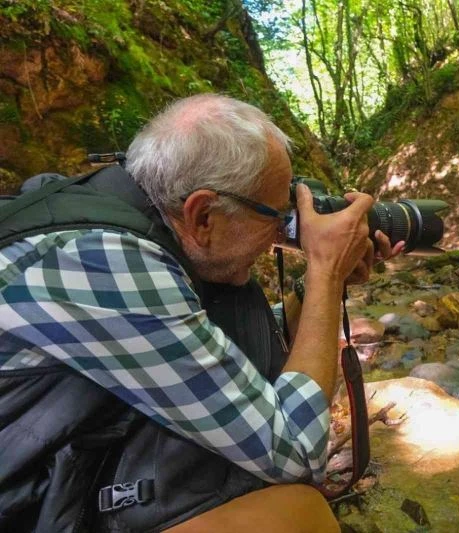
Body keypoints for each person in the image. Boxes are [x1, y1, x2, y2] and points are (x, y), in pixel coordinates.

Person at [0, 94, 402, 532]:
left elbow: (199, 347)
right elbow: (296, 451)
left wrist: (320, 286)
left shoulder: (113, 213)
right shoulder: (106, 261)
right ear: (204, 213)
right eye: (276, 216)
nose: (281, 235)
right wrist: (325, 270)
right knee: (297, 515)